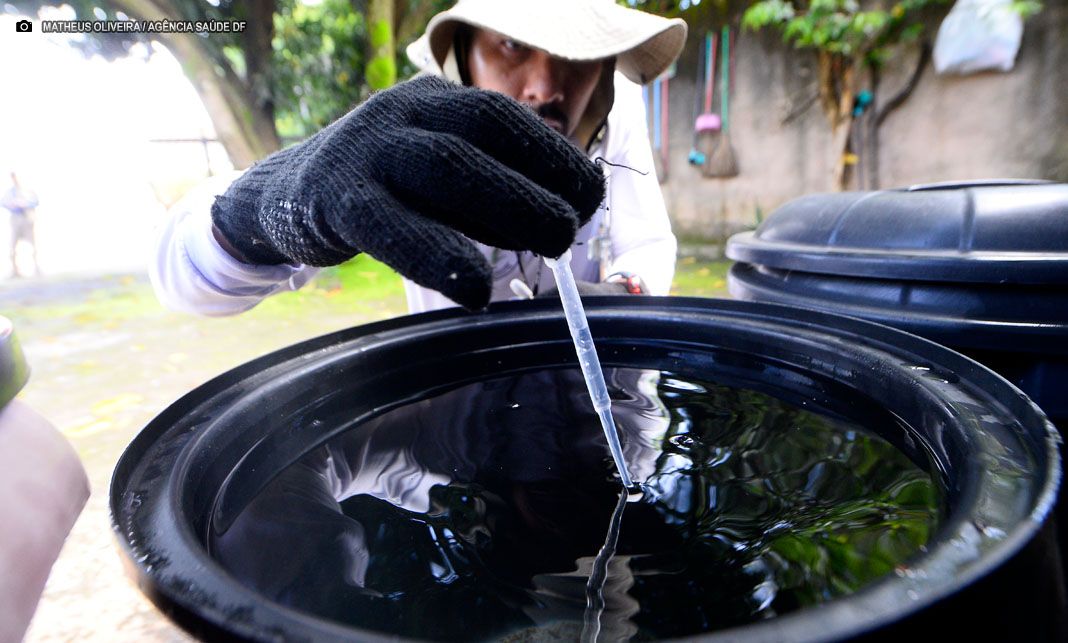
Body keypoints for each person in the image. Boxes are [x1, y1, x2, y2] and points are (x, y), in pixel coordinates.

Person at [151, 0, 686, 315]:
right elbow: (187, 279)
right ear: (463, 51)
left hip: (588, 409)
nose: (545, 87)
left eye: (576, 53)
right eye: (512, 46)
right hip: (452, 398)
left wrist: (621, 292)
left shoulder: (619, 117)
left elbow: (646, 241)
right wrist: (262, 211)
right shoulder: (404, 130)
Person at [1, 172, 40, 278]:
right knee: (13, 246)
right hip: (15, 220)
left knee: (33, 245)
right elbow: (3, 203)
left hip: (27, 219)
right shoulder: (10, 192)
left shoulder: (27, 190)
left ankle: (37, 268)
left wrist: (25, 203)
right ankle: (15, 271)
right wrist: (13, 204)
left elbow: (35, 201)